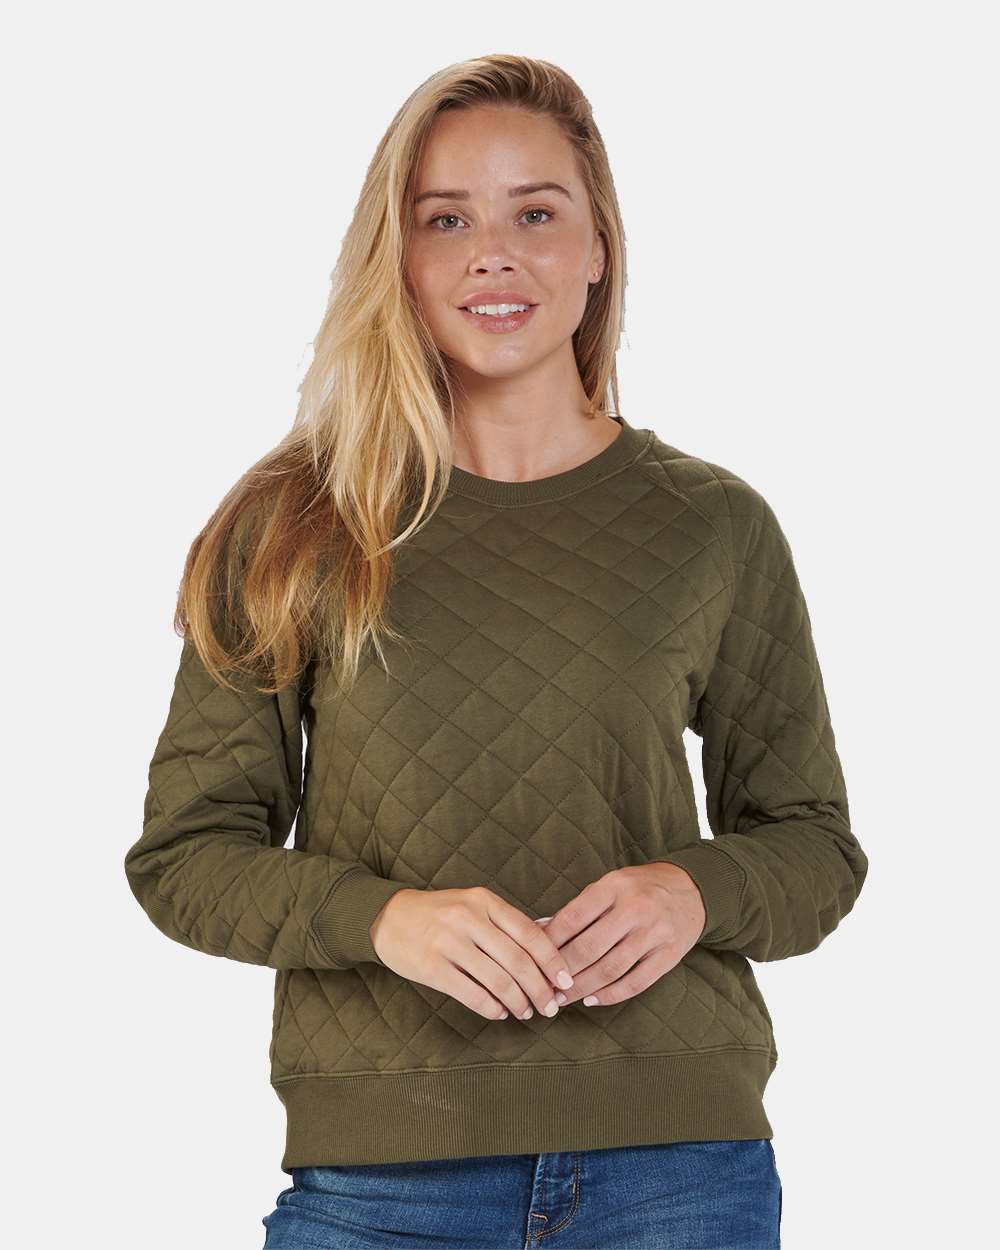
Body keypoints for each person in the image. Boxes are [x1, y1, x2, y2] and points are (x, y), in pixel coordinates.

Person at [123, 53, 868, 1250]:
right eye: (445, 220)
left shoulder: (712, 524)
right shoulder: (295, 520)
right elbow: (183, 856)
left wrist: (693, 891)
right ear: (398, 256)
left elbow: (813, 844)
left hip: (679, 1168)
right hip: (383, 1181)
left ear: (597, 247)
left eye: (535, 213)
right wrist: (383, 919)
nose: (492, 255)